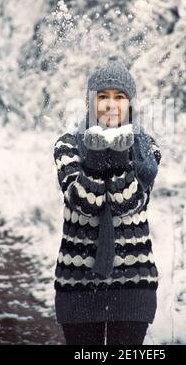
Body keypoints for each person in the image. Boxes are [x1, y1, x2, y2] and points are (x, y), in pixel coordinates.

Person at [53, 54, 162, 345]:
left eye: (119, 96)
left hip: (134, 283)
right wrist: (96, 154)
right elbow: (84, 203)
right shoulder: (67, 145)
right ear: (91, 102)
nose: (111, 104)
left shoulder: (146, 149)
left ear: (130, 103)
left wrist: (117, 155)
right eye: (103, 96)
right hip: (78, 283)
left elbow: (130, 203)